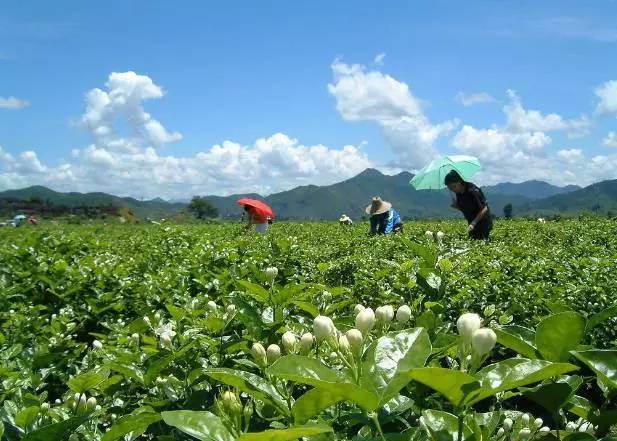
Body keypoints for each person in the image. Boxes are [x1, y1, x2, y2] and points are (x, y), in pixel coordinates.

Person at [445, 170, 492, 240]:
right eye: (450, 188)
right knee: (472, 242)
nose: (452, 189)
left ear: (459, 182)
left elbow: (484, 208)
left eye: (453, 186)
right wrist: (457, 206)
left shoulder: (472, 190)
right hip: (472, 223)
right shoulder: (458, 193)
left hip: (483, 223)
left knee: (480, 243)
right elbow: (466, 209)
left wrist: (474, 223)